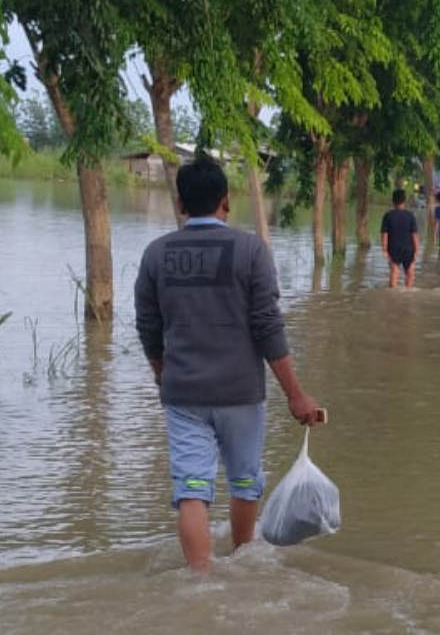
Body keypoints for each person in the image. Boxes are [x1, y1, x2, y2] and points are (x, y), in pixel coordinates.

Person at [134, 157, 323, 575]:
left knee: (192, 490)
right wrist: (296, 395)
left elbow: (148, 325)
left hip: (183, 393)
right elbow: (268, 327)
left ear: (180, 204)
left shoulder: (156, 254)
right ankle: (241, 564)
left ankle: (201, 582)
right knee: (244, 482)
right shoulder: (251, 250)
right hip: (240, 392)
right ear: (227, 201)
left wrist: (162, 372)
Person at [382, 189, 420, 287]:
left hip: (393, 248)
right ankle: (408, 294)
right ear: (404, 200)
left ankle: (393, 297)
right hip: (408, 249)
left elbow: (384, 234)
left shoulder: (388, 215)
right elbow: (414, 234)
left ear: (393, 200)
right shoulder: (410, 215)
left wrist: (385, 250)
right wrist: (417, 251)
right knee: (410, 273)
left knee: (394, 272)